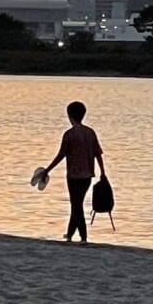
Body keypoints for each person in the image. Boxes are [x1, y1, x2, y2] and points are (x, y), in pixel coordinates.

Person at [41, 99, 107, 243]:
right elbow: (98, 154)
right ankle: (70, 234)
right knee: (76, 204)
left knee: (76, 205)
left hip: (73, 176)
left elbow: (61, 155)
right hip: (88, 175)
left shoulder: (69, 134)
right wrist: (102, 172)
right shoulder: (90, 133)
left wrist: (47, 170)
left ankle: (83, 237)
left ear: (69, 115)